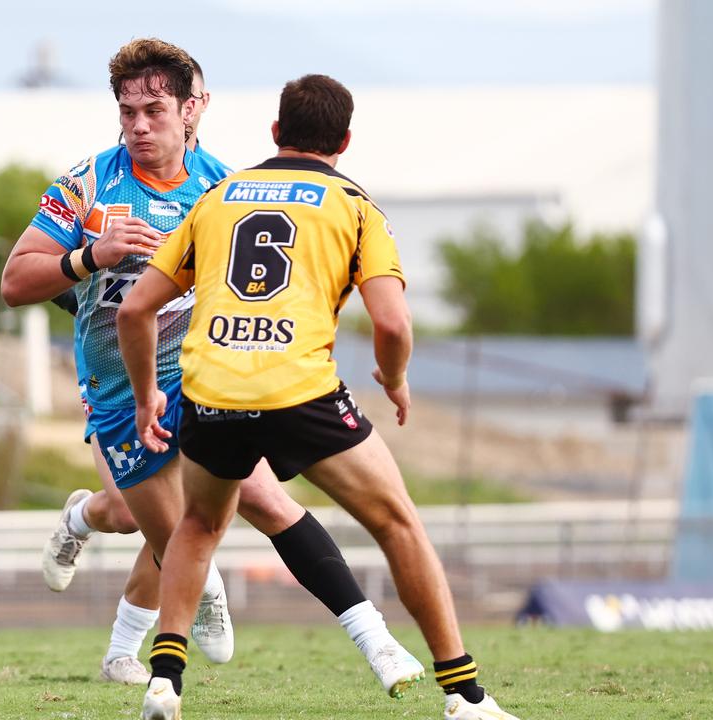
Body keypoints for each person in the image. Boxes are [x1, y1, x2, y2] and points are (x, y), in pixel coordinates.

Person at [3, 40, 423, 699]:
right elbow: (13, 281)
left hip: (204, 380)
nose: (138, 125)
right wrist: (90, 257)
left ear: (193, 108)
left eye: (154, 110)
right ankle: (90, 522)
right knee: (150, 524)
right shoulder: (85, 184)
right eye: (127, 111)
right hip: (118, 391)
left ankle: (377, 641)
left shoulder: (224, 188)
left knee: (261, 498)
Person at [120, 75, 521, 720]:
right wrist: (393, 378)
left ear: (275, 134)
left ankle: (164, 680)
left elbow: (136, 309)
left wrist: (146, 398)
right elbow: (392, 324)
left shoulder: (217, 198)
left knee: (197, 526)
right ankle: (465, 695)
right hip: (299, 392)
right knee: (397, 523)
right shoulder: (355, 205)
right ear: (345, 140)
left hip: (211, 390)